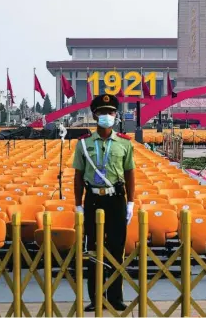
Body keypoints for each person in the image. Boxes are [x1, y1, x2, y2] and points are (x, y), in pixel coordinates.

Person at [72, 94, 135, 312]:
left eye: (110, 112)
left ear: (116, 115)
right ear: (94, 115)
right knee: (93, 249)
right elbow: (78, 176)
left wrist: (131, 203)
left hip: (116, 199)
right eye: (102, 112)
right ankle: (96, 297)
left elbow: (129, 174)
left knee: (117, 249)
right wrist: (78, 204)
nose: (107, 116)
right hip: (93, 200)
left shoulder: (125, 144)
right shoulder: (83, 144)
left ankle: (116, 297)